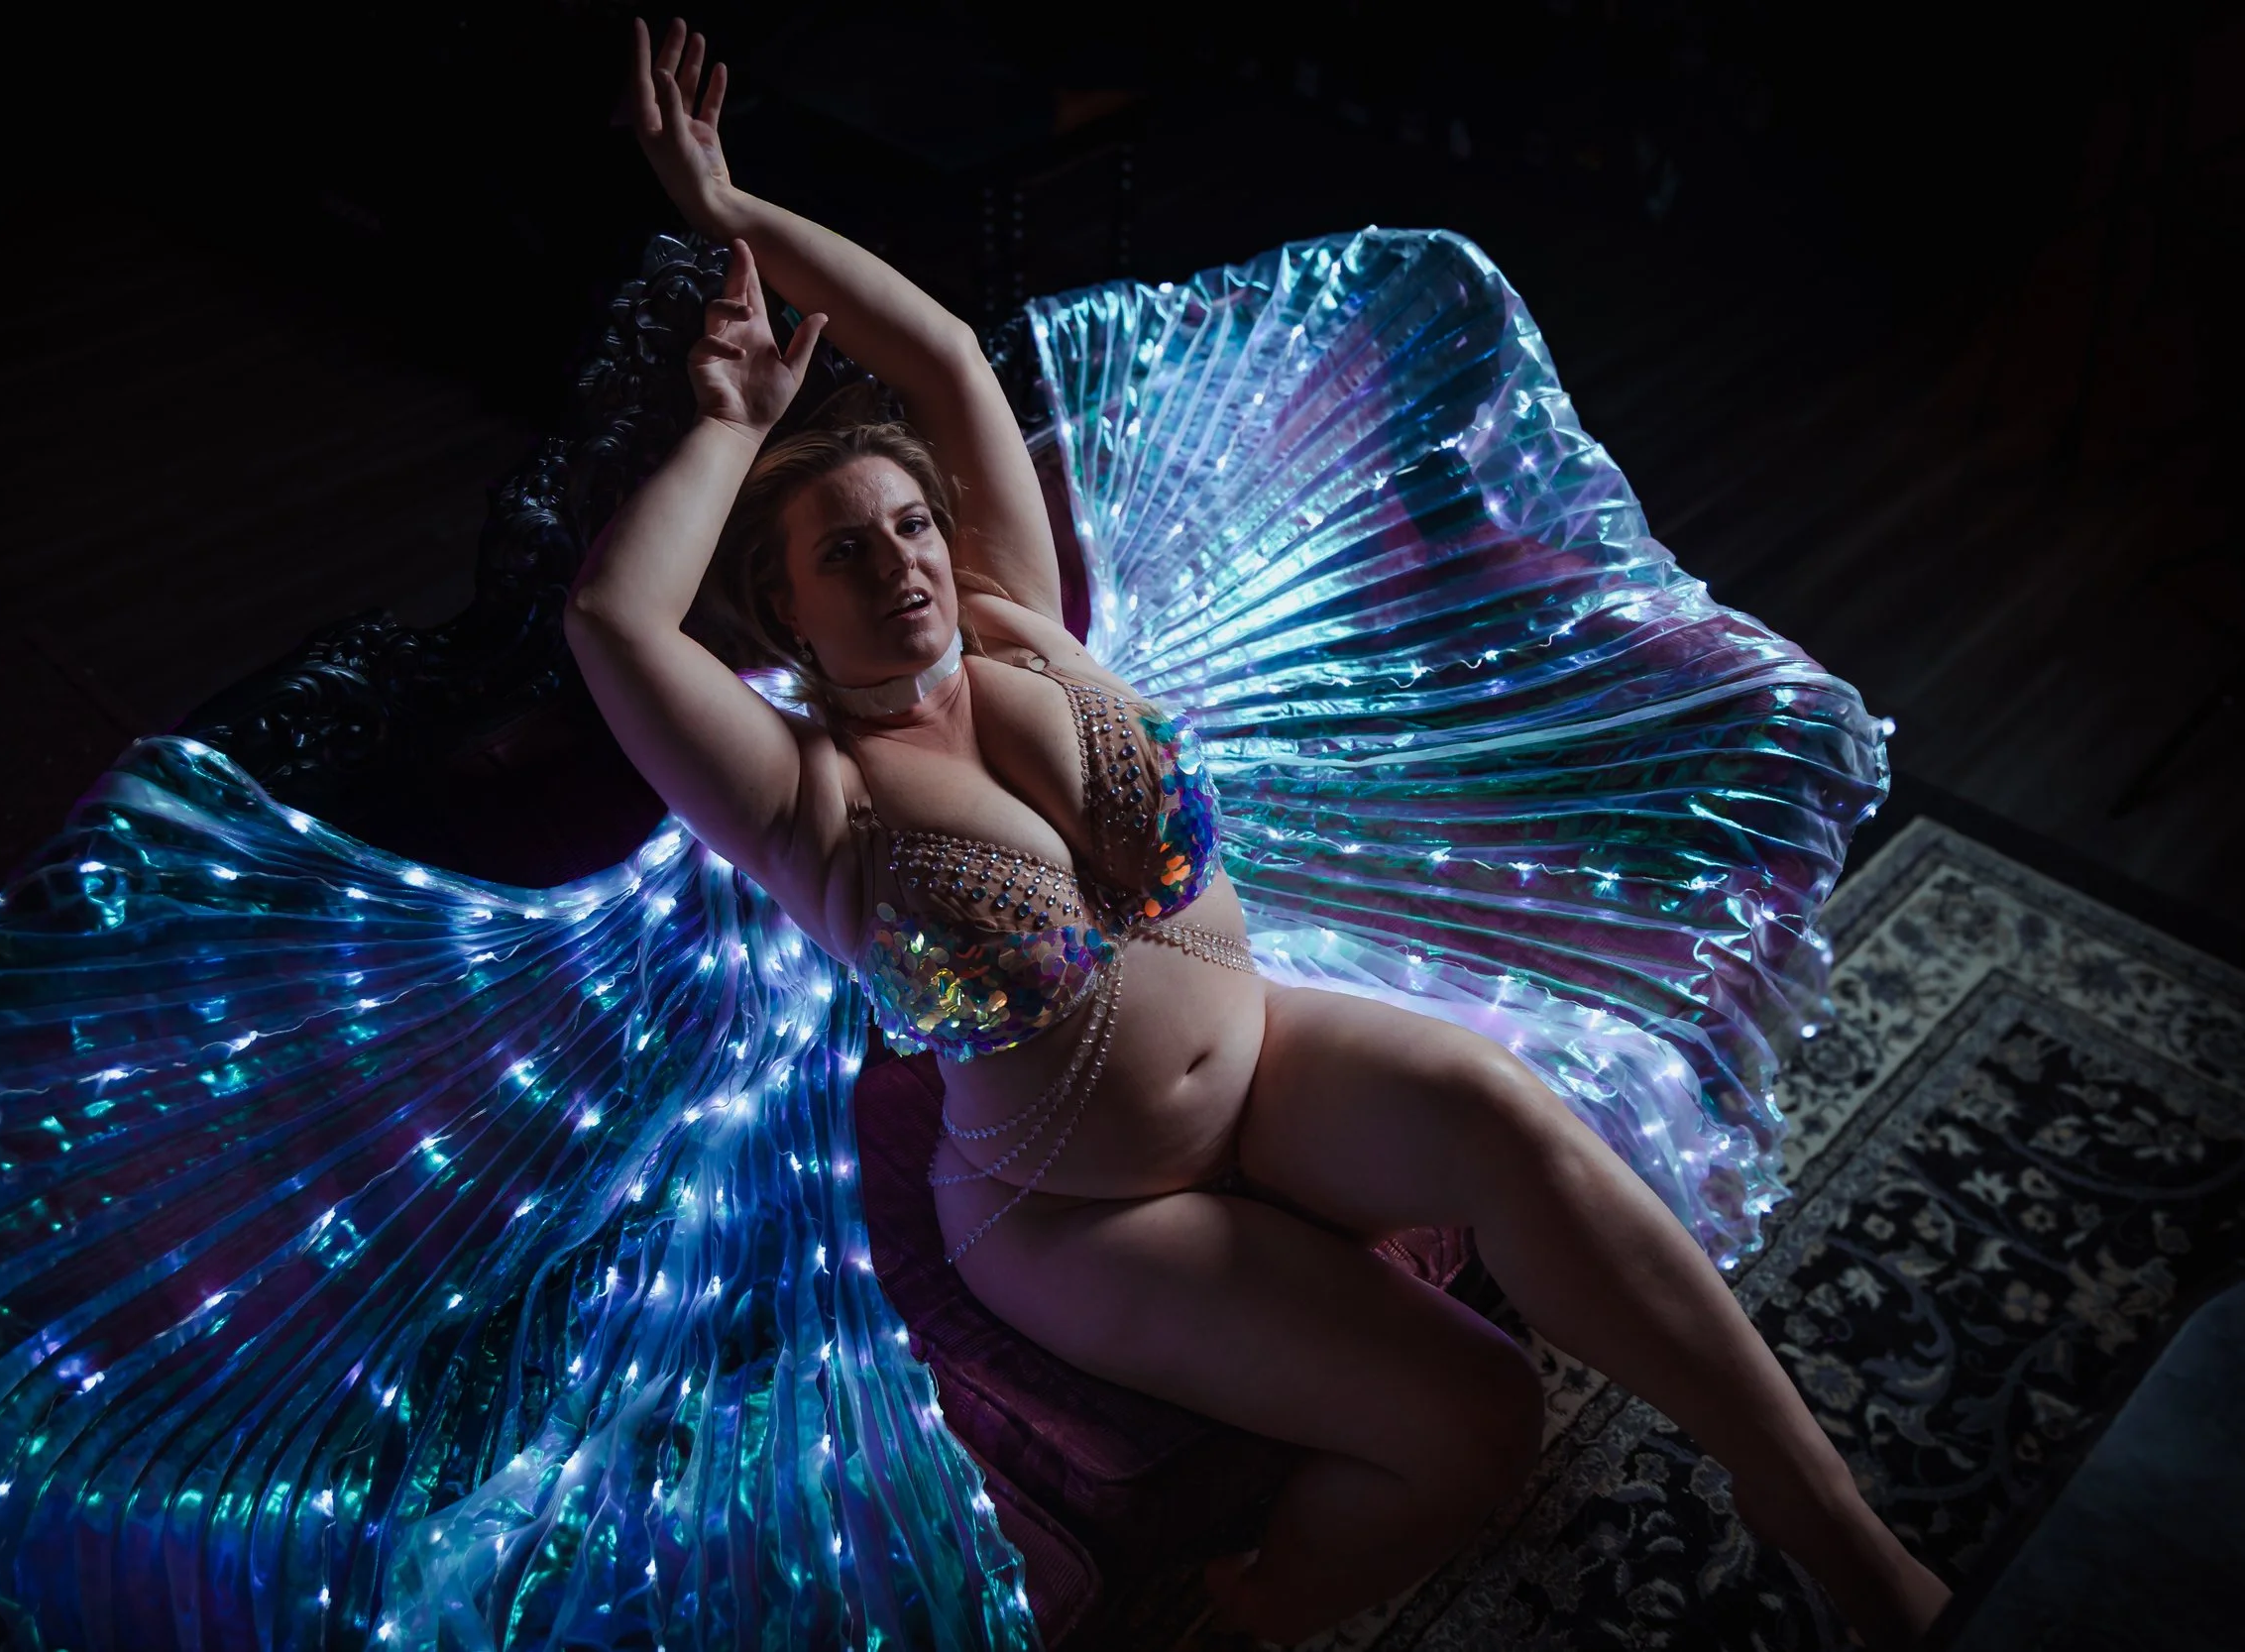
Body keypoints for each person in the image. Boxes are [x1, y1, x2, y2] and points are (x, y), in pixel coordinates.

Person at [571, 17, 1953, 1648]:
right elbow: (614, 618)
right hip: (1086, 1217)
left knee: (1510, 1114)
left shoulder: (1021, 614)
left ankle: (1825, 1516)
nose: (904, 566)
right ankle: (1253, 1606)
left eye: (908, 524)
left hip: (1270, 1059)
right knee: (1479, 1422)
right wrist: (731, 418)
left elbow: (942, 352)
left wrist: (734, 211)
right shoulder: (813, 797)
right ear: (787, 615)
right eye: (845, 558)